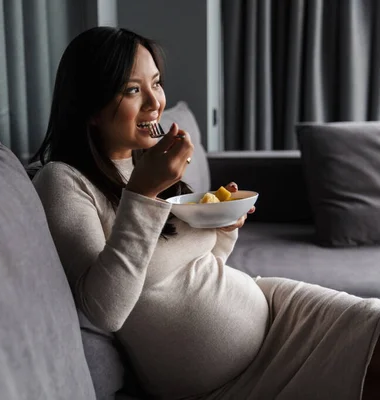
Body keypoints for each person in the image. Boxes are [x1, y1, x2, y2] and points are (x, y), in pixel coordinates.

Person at [30, 26, 380, 399]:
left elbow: (200, 265)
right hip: (229, 383)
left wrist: (224, 226)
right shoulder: (64, 181)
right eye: (133, 89)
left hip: (282, 316)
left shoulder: (145, 163)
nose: (155, 102)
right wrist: (144, 193)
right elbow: (105, 309)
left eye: (157, 83)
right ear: (91, 106)